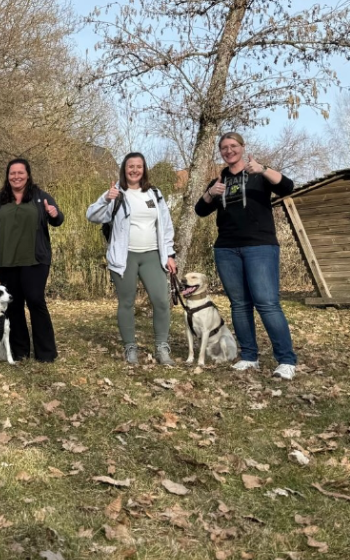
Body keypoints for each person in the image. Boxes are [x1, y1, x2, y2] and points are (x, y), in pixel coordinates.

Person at [194, 132, 297, 380]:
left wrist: (262, 169)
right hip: (227, 249)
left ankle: (286, 360)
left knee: (267, 303)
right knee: (239, 305)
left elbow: (287, 186)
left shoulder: (258, 174)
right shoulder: (218, 180)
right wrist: (211, 193)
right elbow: (200, 210)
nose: (229, 151)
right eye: (224, 148)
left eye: (233, 146)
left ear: (242, 147)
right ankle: (249, 356)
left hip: (259, 247)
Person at [87, 152, 177, 365]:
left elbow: (165, 225)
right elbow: (92, 215)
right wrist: (106, 198)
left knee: (161, 301)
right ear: (124, 169)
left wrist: (170, 253)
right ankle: (130, 348)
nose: (135, 170)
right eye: (130, 166)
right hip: (125, 257)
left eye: (139, 166)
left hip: (153, 255)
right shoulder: (116, 193)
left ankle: (162, 347)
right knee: (126, 303)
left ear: (144, 169)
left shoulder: (155, 193)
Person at [0, 158, 64, 362]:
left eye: (20, 172)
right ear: (8, 176)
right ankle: (20, 351)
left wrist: (54, 213)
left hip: (35, 260)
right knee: (14, 306)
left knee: (36, 301)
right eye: (12, 173)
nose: (16, 176)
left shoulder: (40, 196)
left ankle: (46, 353)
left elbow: (58, 220)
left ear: (28, 174)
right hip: (5, 261)